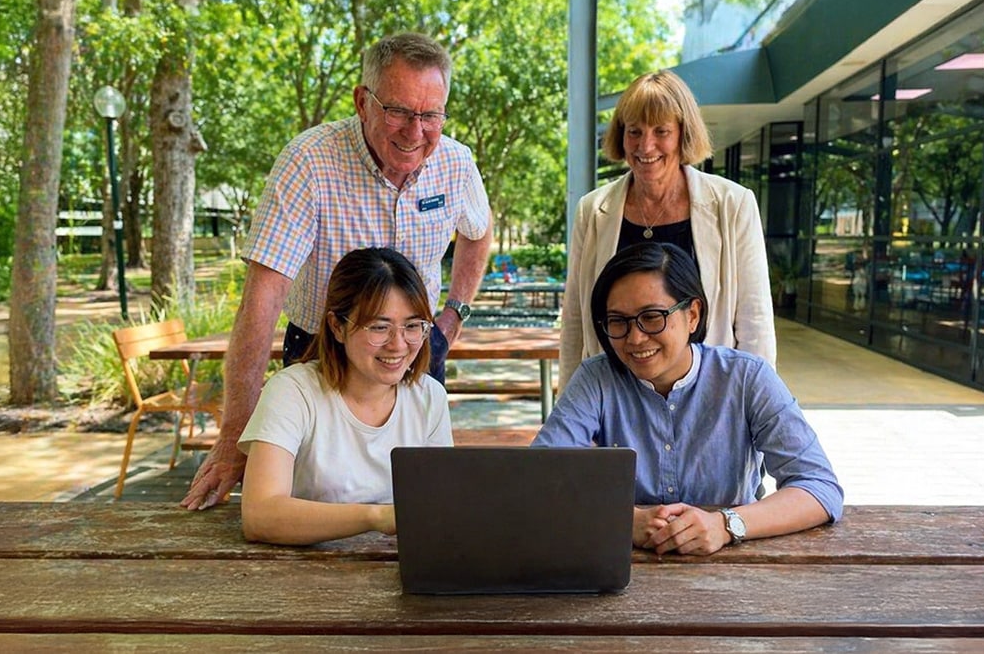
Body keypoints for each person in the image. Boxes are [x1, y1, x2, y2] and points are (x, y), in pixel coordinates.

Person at [182, 32, 491, 510]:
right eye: (399, 111)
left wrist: (452, 314)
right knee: (310, 492)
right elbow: (261, 301)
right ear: (363, 102)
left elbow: (478, 231)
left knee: (419, 494)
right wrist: (234, 437)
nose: (416, 131)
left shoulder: (456, 162)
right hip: (321, 346)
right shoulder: (310, 160)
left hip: (414, 345)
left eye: (430, 115)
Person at [534, 243, 842, 556]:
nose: (635, 337)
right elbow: (539, 476)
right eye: (618, 321)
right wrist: (625, 521)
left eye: (652, 317)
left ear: (692, 315)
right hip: (627, 570)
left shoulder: (747, 377)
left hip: (737, 566)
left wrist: (726, 524)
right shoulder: (597, 379)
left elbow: (819, 487)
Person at [559, 69, 775, 394]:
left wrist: (755, 409)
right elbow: (576, 318)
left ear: (683, 134)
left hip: (708, 397)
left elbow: (754, 321)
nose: (646, 146)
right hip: (615, 397)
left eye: (661, 131)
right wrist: (570, 404)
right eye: (634, 132)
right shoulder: (593, 211)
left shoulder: (733, 204)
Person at [238, 248, 452, 545]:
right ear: (337, 326)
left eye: (413, 326)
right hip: (300, 573)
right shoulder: (292, 392)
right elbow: (260, 515)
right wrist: (376, 517)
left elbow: (440, 507)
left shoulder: (430, 397)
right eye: (379, 327)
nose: (398, 344)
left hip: (396, 569)